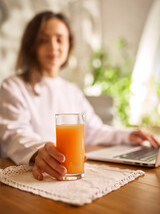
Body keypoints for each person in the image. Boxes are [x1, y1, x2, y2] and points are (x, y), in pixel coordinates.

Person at [0, 11, 159, 181]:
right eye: (43, 40)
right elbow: (15, 133)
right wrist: (40, 151)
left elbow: (94, 130)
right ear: (31, 45)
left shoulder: (72, 91)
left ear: (69, 44)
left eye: (60, 39)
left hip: (71, 171)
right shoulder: (13, 86)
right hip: (34, 176)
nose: (53, 47)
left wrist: (128, 135)